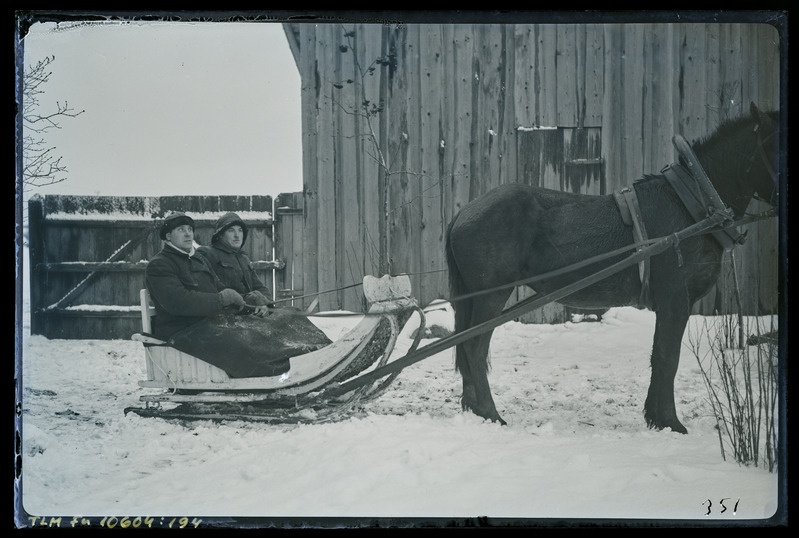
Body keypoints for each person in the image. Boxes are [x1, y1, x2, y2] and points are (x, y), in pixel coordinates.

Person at [145, 212, 331, 378]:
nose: (187, 234)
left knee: (273, 325)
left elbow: (220, 287)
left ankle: (322, 354)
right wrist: (220, 299)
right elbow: (177, 301)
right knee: (246, 341)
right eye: (181, 230)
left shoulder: (197, 260)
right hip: (183, 330)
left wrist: (247, 300)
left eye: (189, 229)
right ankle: (285, 375)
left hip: (210, 321)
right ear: (168, 236)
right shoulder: (160, 264)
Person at [196, 212, 272, 317]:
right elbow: (211, 289)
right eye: (231, 230)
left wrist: (265, 304)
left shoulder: (244, 258)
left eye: (240, 230)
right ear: (220, 234)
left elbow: (260, 287)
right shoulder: (207, 253)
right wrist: (250, 300)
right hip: (225, 318)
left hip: (251, 315)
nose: (237, 235)